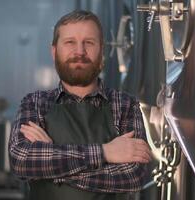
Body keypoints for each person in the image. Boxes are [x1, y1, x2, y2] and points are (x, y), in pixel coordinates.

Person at [9, 10, 152, 200]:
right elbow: (22, 161)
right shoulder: (34, 103)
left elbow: (134, 176)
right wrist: (105, 152)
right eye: (70, 42)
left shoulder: (125, 105)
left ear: (102, 51)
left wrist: (52, 166)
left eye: (89, 43)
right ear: (54, 51)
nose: (79, 52)